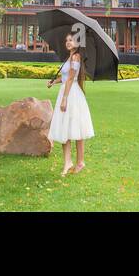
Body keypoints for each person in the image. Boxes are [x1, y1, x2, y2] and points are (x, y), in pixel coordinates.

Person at [46, 31, 95, 175]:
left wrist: (65, 99)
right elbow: (64, 78)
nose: (68, 42)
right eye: (67, 40)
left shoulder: (76, 57)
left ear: (78, 43)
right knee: (64, 127)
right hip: (65, 91)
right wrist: (53, 82)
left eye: (71, 40)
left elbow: (70, 79)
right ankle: (68, 162)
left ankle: (80, 161)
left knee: (75, 127)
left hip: (72, 94)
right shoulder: (68, 58)